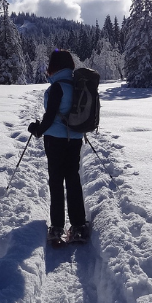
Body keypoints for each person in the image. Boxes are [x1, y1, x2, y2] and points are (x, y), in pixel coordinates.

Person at [27, 49, 90, 246]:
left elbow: (50, 117)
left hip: (55, 140)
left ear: (55, 67)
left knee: (56, 180)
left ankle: (57, 228)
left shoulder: (57, 87)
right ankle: (79, 226)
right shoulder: (77, 84)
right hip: (75, 138)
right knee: (72, 178)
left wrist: (37, 130)